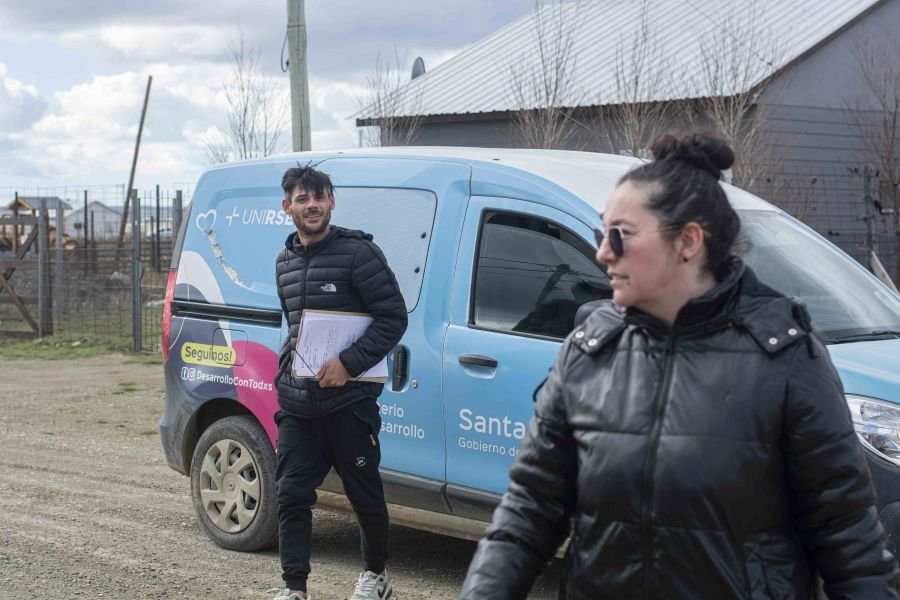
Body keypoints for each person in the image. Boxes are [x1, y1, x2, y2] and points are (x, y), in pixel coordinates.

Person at [459, 133, 900, 599]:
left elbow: (850, 544)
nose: (602, 253)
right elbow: (529, 510)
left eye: (619, 235)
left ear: (688, 241)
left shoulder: (786, 357)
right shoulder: (589, 348)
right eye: (600, 234)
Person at [271, 165, 408, 600]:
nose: (311, 205)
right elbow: (294, 327)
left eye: (319, 196)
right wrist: (285, 372)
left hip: (348, 402)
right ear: (287, 206)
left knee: (364, 495)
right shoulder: (284, 261)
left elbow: (393, 318)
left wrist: (349, 364)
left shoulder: (359, 254)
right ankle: (294, 588)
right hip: (298, 403)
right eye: (302, 198)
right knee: (291, 494)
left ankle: (375, 575)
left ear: (332, 201)